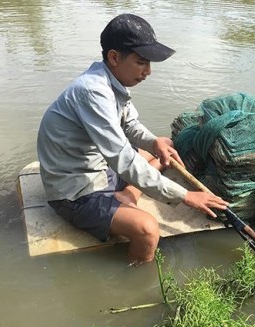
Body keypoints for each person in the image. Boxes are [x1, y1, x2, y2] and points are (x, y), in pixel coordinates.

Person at [37, 14, 228, 265]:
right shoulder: (93, 91)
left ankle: (128, 194)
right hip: (75, 190)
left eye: (148, 63)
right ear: (114, 57)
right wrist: (186, 196)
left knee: (160, 153)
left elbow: (130, 124)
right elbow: (123, 159)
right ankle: (136, 279)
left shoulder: (113, 80)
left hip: (100, 169)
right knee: (148, 231)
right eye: (141, 62)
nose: (148, 71)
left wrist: (153, 143)